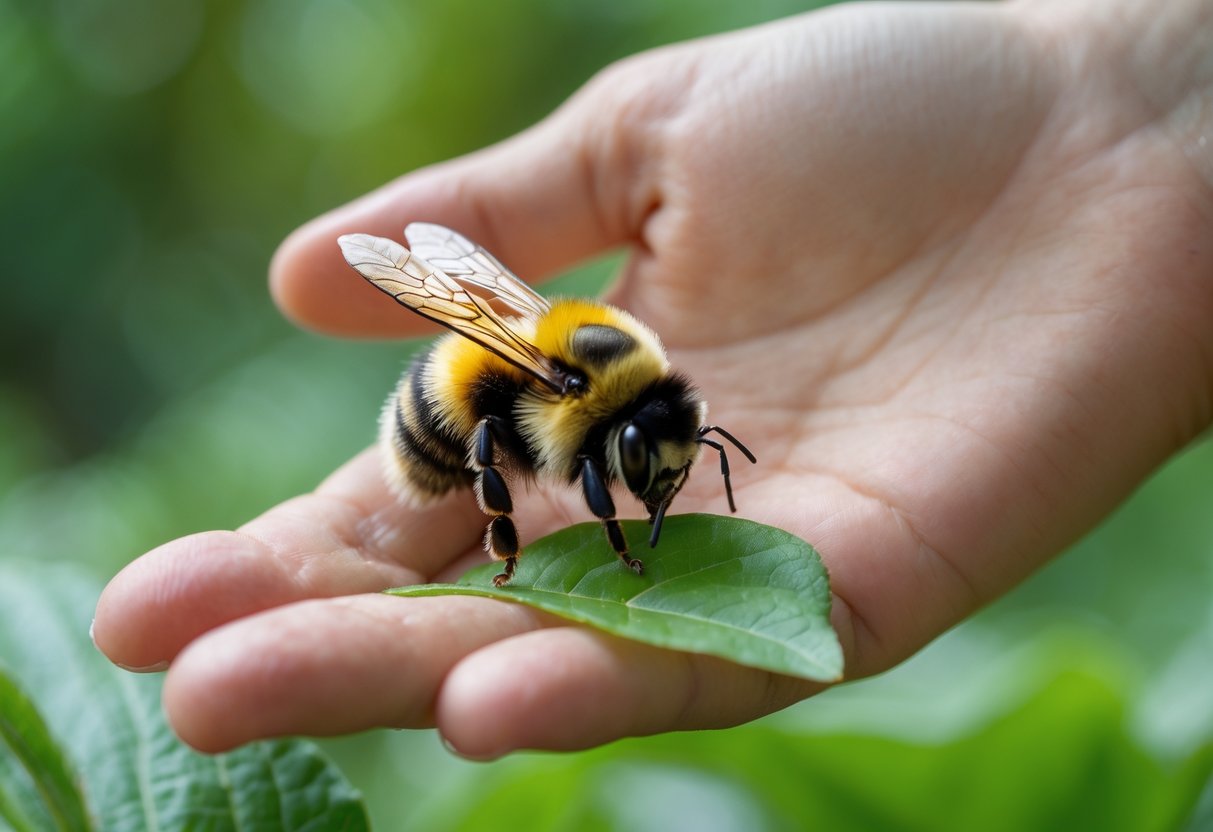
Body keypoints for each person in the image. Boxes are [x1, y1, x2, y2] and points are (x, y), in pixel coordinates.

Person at [92, 0, 1213, 758]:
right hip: (453, 407)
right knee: (490, 441)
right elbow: (509, 411)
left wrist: (1150, 98)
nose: (657, 477)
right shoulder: (563, 399)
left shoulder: (638, 387)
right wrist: (1128, 83)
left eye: (661, 468)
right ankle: (493, 543)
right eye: (650, 466)